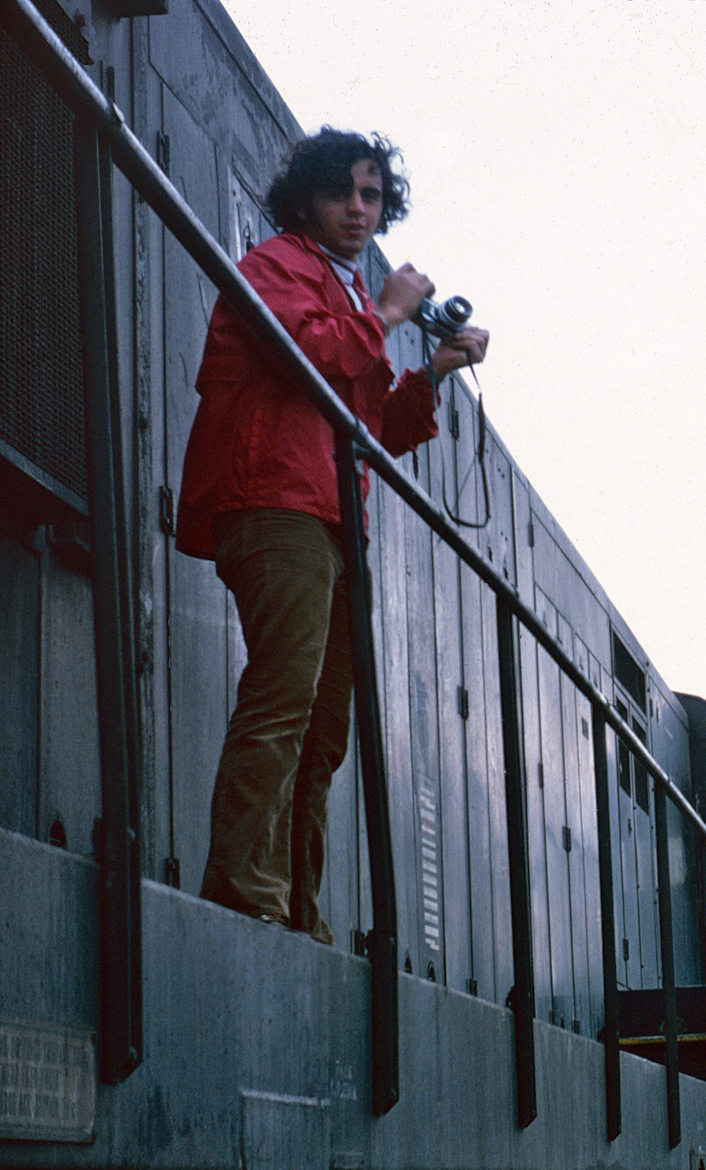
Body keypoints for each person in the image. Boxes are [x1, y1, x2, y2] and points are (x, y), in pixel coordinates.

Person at [176, 127, 488, 944]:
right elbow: (305, 359)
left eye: (373, 196)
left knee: (324, 727)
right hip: (275, 503)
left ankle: (297, 906)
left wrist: (433, 375)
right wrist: (387, 313)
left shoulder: (351, 295)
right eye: (344, 193)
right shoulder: (277, 264)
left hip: (331, 515)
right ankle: (246, 888)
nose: (359, 209)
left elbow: (368, 422)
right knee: (283, 697)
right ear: (307, 199)